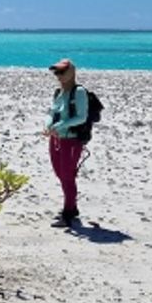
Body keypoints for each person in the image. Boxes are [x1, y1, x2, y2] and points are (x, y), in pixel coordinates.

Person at [44, 58, 89, 227]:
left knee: (67, 176)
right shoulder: (59, 92)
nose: (59, 76)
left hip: (71, 140)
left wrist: (62, 125)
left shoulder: (79, 92)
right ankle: (72, 206)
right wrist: (48, 125)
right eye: (57, 73)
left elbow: (81, 116)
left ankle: (68, 212)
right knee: (60, 173)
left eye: (62, 72)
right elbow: (52, 111)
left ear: (71, 72)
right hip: (56, 139)